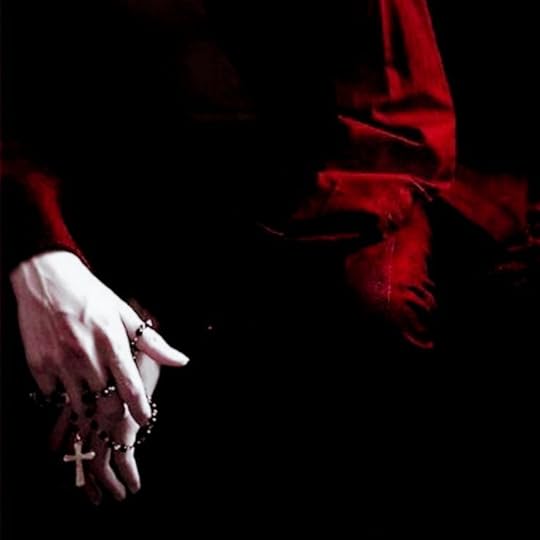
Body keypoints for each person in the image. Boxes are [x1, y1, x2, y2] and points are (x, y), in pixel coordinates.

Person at [1, 0, 529, 536]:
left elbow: (388, 138)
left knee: (370, 315)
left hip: (311, 206)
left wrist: (159, 302)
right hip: (104, 189)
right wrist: (43, 257)